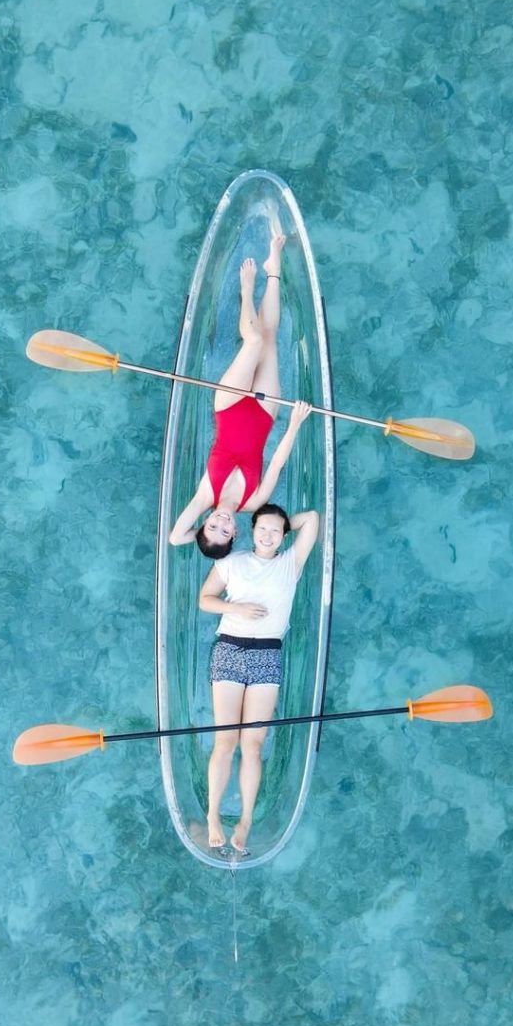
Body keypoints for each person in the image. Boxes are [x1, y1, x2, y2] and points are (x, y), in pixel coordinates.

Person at [168, 227, 312, 558]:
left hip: (229, 406)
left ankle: (246, 291)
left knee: (255, 341)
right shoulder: (254, 502)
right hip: (264, 416)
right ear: (235, 533)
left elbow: (175, 538)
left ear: (204, 523)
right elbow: (277, 462)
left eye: (211, 527)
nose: (220, 523)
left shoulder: (205, 497)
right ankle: (273, 271)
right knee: (269, 339)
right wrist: (294, 423)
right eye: (225, 531)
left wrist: (198, 534)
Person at [197, 503, 320, 852]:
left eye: (275, 531)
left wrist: (280, 523)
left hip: (267, 655)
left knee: (253, 744)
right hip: (230, 649)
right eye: (261, 528)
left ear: (284, 535)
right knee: (225, 741)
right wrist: (235, 608)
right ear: (251, 531)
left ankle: (246, 821)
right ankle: (213, 815)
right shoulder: (231, 562)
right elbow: (205, 600)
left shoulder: (291, 563)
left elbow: (312, 519)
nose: (267, 535)